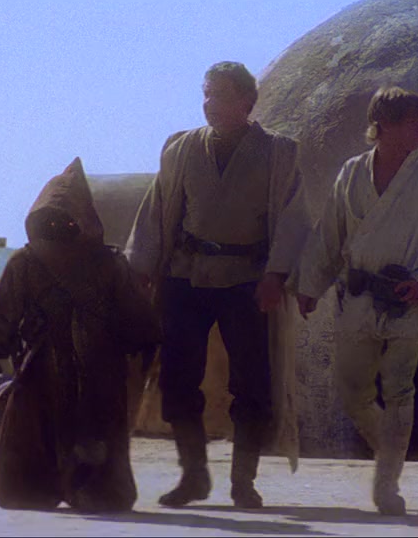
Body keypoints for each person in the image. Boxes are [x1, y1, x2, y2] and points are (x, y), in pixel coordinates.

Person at [124, 61, 309, 509]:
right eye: (206, 94)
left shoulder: (278, 153)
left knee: (252, 384)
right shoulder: (182, 148)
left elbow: (293, 219)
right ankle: (194, 476)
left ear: (246, 101)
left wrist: (275, 275)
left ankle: (243, 481)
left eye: (220, 95)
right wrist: (142, 267)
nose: (209, 104)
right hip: (186, 276)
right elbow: (158, 210)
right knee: (177, 378)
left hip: (247, 280)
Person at [291, 86, 418, 515]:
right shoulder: (352, 173)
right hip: (357, 296)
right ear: (383, 126)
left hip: (407, 298)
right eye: (410, 123)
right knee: (352, 390)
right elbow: (330, 232)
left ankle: (387, 482)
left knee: (399, 388)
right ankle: (389, 451)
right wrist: (310, 285)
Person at [0, 157, 161, 513]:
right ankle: (41, 491)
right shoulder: (27, 262)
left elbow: (135, 318)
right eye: (52, 219)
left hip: (94, 366)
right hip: (50, 363)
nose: (58, 226)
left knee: (86, 430)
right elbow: (0, 318)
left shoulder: (106, 264)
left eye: (65, 220)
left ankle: (89, 492)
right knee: (41, 428)